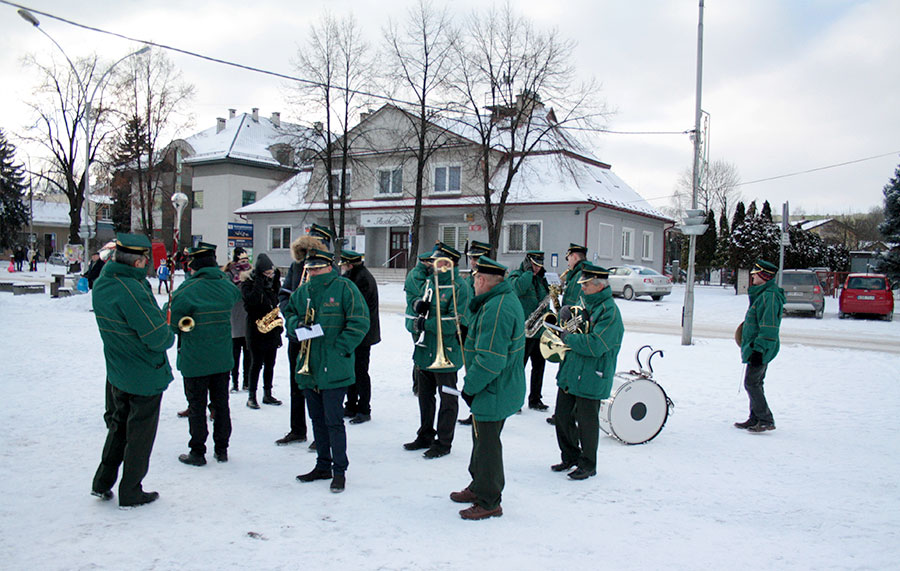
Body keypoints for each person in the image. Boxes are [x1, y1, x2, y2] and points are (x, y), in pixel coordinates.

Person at [90, 233, 175, 507]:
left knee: (118, 427)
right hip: (143, 371)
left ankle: (102, 481)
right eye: (146, 259)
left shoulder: (105, 281)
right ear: (138, 262)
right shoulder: (132, 290)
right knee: (139, 434)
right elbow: (158, 337)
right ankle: (131, 490)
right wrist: (167, 327)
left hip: (118, 368)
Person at [284, 249, 369, 493]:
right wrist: (295, 325)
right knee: (317, 420)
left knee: (334, 422)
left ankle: (339, 470)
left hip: (334, 365)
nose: (312, 273)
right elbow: (289, 312)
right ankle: (322, 464)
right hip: (309, 366)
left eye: (317, 268)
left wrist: (340, 348)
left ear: (329, 267)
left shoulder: (345, 288)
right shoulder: (304, 291)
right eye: (309, 269)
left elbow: (360, 321)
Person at [450, 256, 526, 520]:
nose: (472, 284)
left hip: (493, 389)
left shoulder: (498, 308)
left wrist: (470, 388)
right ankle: (478, 485)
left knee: (488, 446)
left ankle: (489, 500)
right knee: (480, 439)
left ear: (482, 280)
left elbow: (491, 360)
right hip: (497, 387)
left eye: (474, 279)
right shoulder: (497, 300)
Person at [165, 242, 241, 466]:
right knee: (221, 404)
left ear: (193, 265)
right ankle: (222, 449)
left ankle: (197, 452)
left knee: (197, 406)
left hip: (195, 358)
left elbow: (171, 321)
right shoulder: (227, 286)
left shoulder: (187, 290)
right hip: (222, 357)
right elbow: (235, 297)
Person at [552, 263, 623, 481]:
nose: (581, 288)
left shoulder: (609, 312)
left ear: (599, 285)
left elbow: (595, 345)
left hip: (592, 374)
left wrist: (568, 338)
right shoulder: (587, 305)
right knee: (562, 417)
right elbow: (577, 327)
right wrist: (564, 318)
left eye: (585, 284)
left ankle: (588, 463)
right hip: (572, 370)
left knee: (587, 422)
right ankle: (570, 456)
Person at [403, 243, 470, 459]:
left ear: (448, 263)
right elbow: (417, 311)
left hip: (447, 353)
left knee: (448, 398)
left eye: (437, 260)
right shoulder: (430, 283)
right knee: (425, 396)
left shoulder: (460, 287)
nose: (432, 264)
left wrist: (427, 325)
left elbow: (456, 323)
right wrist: (417, 306)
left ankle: (444, 442)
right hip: (426, 350)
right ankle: (425, 434)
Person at [274, 227, 330, 446]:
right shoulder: (296, 267)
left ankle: (321, 433)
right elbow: (284, 295)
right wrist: (293, 319)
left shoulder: (327, 268)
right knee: (296, 384)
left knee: (319, 387)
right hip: (297, 336)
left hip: (318, 338)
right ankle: (297, 429)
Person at [734, 259, 785, 433]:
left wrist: (759, 349)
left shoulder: (768, 297)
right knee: (756, 382)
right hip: (756, 347)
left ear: (763, 276)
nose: (752, 276)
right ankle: (755, 417)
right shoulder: (762, 294)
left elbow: (769, 327)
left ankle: (765, 419)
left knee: (751, 383)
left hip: (760, 348)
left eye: (755, 274)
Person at [340, 250, 381, 424]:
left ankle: (364, 409)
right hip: (359, 333)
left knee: (360, 372)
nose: (341, 267)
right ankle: (351, 405)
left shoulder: (362, 279)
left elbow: (356, 307)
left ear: (350, 264)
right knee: (352, 370)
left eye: (343, 264)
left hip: (363, 334)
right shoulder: (355, 276)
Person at [508, 250, 551, 411]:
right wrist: (528, 273)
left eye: (540, 266)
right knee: (519, 368)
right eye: (534, 264)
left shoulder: (542, 279)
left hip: (540, 331)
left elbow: (546, 300)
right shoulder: (517, 276)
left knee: (539, 367)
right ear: (527, 262)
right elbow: (518, 289)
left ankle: (535, 398)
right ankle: (514, 399)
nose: (537, 268)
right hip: (523, 331)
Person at [241, 253, 283, 409]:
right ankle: (251, 395)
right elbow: (252, 301)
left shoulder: (271, 284)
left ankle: (267, 393)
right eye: (266, 273)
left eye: (270, 272)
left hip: (271, 329)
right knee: (256, 364)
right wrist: (259, 282)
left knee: (270, 364)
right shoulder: (247, 284)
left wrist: (275, 281)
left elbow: (276, 301)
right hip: (256, 329)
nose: (269, 275)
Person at [404, 250, 435, 396]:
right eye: (432, 262)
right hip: (416, 321)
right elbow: (424, 294)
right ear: (425, 262)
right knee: (420, 354)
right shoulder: (416, 275)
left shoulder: (424, 274)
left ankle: (422, 384)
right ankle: (418, 386)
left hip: (421, 320)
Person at [225, 249, 252, 393]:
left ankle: (246, 382)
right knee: (235, 354)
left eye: (247, 260)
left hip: (247, 317)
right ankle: (234, 382)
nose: (245, 264)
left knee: (248, 354)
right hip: (234, 317)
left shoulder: (251, 273)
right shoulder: (229, 274)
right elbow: (228, 292)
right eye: (242, 261)